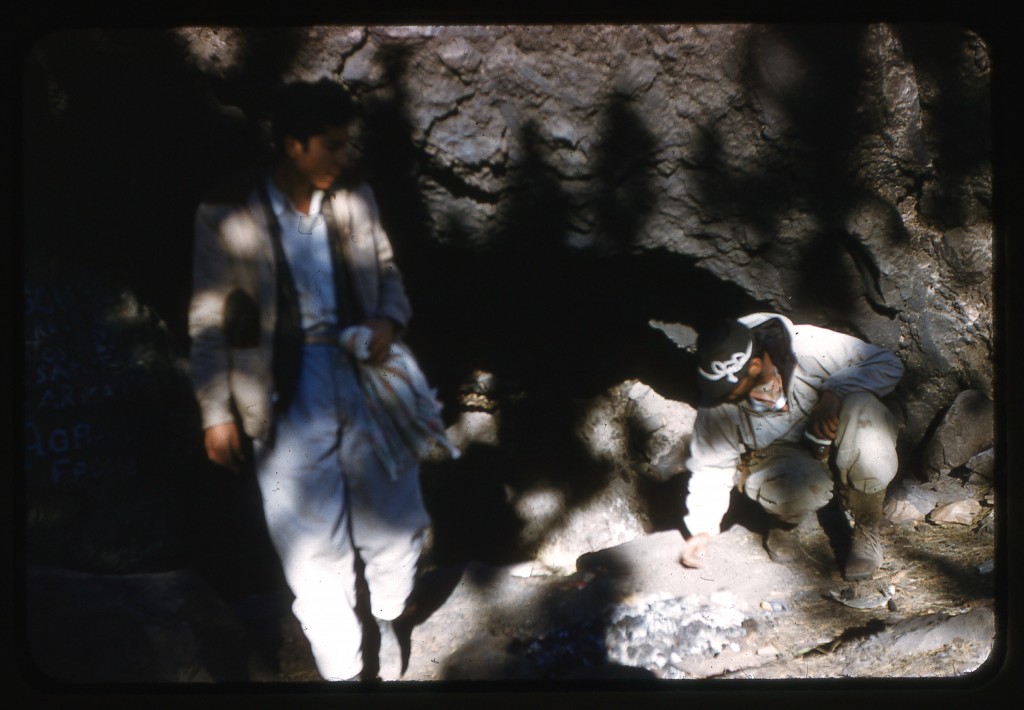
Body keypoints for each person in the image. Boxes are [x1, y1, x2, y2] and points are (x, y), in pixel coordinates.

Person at [188, 78, 430, 681]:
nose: (345, 157)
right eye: (332, 145)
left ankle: (388, 616)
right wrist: (216, 411)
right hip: (285, 389)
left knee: (396, 523)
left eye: (348, 144)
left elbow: (389, 273)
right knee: (310, 550)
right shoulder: (226, 213)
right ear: (293, 145)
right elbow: (210, 319)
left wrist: (387, 318)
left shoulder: (356, 197)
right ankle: (345, 675)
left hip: (368, 376)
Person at [677, 313, 904, 581]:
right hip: (781, 457)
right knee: (796, 492)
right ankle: (786, 523)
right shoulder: (717, 401)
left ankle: (866, 529)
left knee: (866, 414)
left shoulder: (805, 344)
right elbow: (710, 466)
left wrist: (835, 393)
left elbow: (887, 364)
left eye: (732, 390)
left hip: (836, 437)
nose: (726, 398)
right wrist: (702, 530)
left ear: (755, 365)